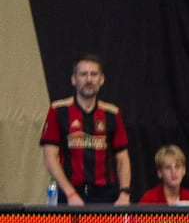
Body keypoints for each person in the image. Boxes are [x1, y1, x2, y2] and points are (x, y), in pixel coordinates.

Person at [40, 54, 131, 206]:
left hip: (105, 194)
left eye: (93, 74)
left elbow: (123, 158)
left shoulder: (112, 113)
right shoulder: (58, 111)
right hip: (68, 192)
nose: (89, 79)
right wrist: (70, 194)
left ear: (101, 79)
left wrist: (124, 193)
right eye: (83, 74)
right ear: (74, 80)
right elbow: (50, 158)